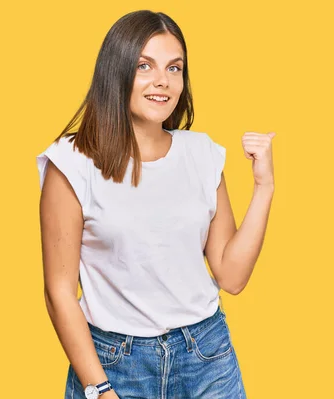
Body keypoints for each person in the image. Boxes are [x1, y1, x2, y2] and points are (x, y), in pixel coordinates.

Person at [36, 10, 275, 399]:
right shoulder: (73, 162)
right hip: (114, 363)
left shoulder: (202, 154)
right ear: (117, 70)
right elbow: (58, 291)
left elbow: (231, 276)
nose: (162, 81)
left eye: (174, 68)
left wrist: (264, 186)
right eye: (144, 66)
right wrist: (99, 389)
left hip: (206, 356)